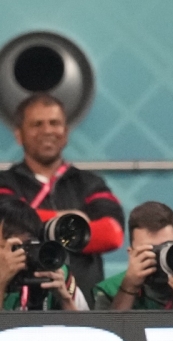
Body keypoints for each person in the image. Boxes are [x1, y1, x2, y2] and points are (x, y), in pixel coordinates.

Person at [0, 93, 125, 306]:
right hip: (12, 305)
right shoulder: (5, 181)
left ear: (65, 133)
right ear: (19, 135)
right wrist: (70, 224)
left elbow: (112, 234)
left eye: (54, 123)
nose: (47, 130)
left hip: (82, 307)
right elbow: (5, 222)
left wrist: (32, 228)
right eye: (37, 124)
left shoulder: (89, 183)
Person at [0, 197, 88, 311]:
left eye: (25, 247)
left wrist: (65, 300)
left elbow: (84, 322)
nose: (19, 255)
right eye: (11, 247)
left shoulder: (51, 271)